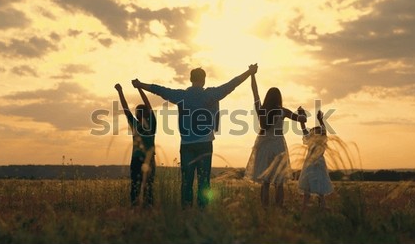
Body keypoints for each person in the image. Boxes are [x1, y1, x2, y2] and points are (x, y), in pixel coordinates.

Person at [132, 64, 258, 208]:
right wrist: (249, 71)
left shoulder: (181, 95)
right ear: (203, 80)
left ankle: (186, 210)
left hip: (186, 144)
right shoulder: (211, 94)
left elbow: (160, 90)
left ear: (191, 79)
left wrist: (140, 84)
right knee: (204, 181)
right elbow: (232, 84)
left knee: (187, 182)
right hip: (205, 144)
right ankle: (202, 211)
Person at [245, 72, 307, 207]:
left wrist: (252, 75)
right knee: (279, 182)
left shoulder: (261, 109)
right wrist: (301, 113)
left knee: (265, 183)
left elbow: (254, 92)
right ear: (279, 98)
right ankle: (279, 208)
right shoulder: (282, 111)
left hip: (264, 147)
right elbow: (302, 119)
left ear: (267, 97)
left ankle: (265, 209)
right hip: (278, 147)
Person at [115, 83, 156, 208]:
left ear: (139, 114)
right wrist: (124, 91)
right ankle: (142, 208)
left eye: (138, 112)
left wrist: (121, 91)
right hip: (145, 160)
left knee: (138, 186)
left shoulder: (147, 123)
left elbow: (128, 108)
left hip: (140, 159)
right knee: (144, 186)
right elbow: (127, 108)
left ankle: (138, 208)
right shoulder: (149, 123)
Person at [297, 107, 333, 212]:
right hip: (316, 165)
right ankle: (318, 206)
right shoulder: (321, 141)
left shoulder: (315, 141)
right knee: (317, 187)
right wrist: (321, 120)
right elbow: (306, 129)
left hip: (312, 165)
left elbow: (304, 129)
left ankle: (307, 207)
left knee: (309, 188)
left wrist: (320, 120)